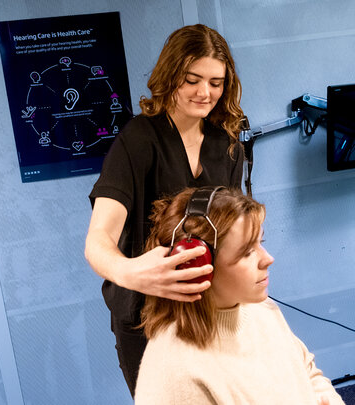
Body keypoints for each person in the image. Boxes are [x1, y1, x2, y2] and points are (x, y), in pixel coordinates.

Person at [84, 24, 245, 396]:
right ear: (171, 74)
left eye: (216, 83)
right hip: (149, 317)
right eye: (192, 79)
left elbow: (233, 230)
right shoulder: (139, 140)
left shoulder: (227, 143)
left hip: (212, 310)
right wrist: (130, 272)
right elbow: (98, 239)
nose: (205, 92)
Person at [134, 187, 344, 405]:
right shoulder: (176, 373)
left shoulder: (263, 309)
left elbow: (307, 371)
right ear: (195, 266)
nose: (268, 259)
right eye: (247, 252)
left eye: (260, 243)